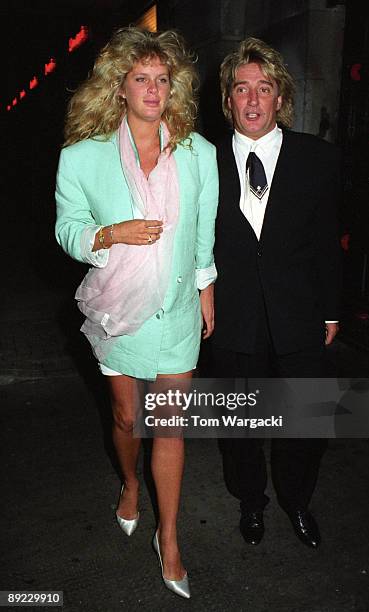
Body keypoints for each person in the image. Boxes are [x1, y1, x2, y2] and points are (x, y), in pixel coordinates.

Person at [55, 26, 218, 599]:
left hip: (174, 307)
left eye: (162, 79)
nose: (153, 89)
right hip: (117, 308)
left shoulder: (199, 152)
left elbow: (202, 232)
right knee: (128, 421)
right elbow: (66, 227)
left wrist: (206, 286)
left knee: (169, 426)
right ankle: (128, 481)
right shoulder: (82, 158)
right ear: (119, 88)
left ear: (174, 89)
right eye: (141, 79)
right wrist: (109, 233)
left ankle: (169, 538)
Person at [209, 38, 341, 548]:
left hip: (300, 314)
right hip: (233, 316)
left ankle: (296, 500)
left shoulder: (318, 158)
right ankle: (252, 502)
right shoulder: (204, 161)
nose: (253, 100)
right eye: (242, 89)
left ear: (281, 97)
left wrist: (331, 310)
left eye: (264, 88)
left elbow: (328, 241)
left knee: (307, 420)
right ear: (228, 101)